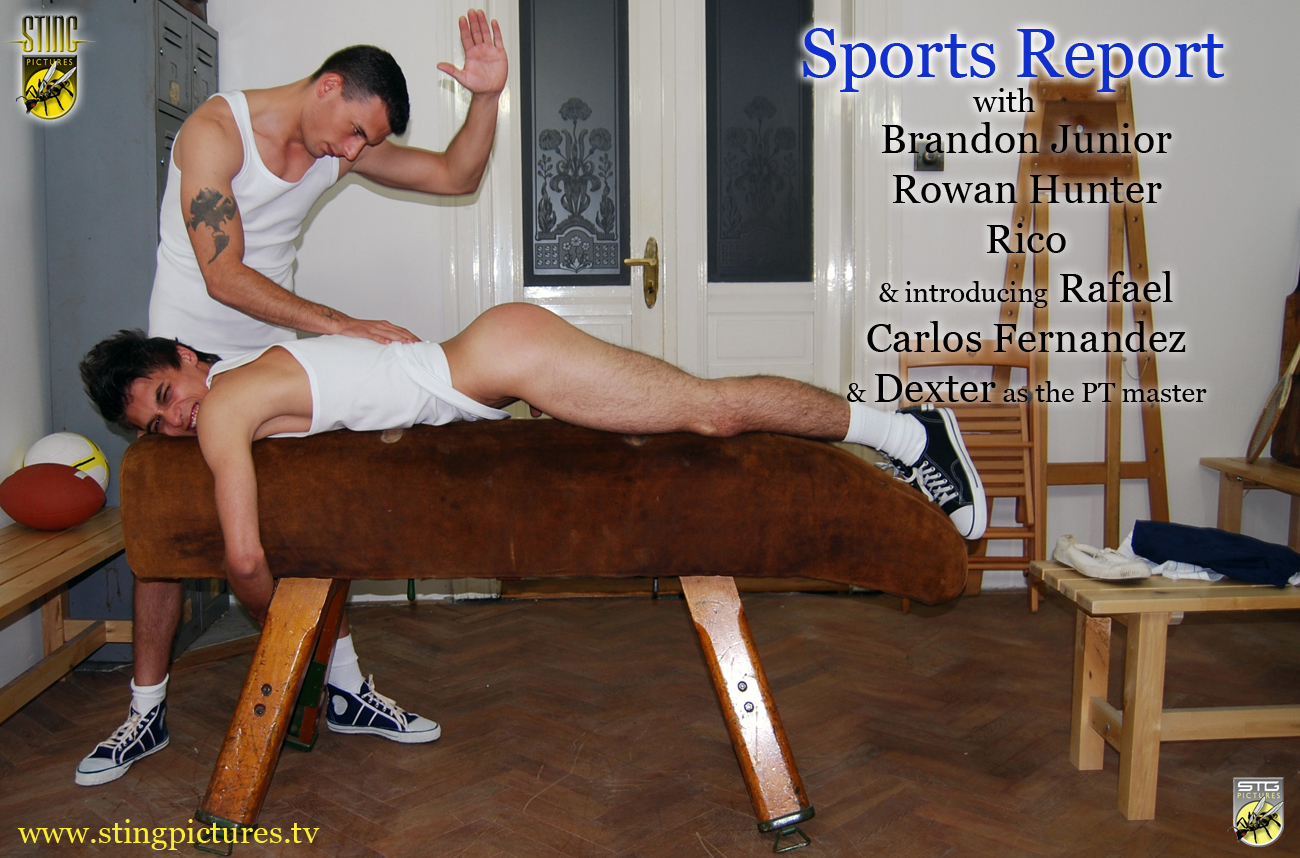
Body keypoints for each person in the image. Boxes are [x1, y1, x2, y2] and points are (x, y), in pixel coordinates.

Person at [75, 11, 508, 786]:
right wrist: (340, 324)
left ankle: (342, 685)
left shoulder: (335, 145)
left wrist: (486, 99)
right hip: (184, 360)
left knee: (312, 503)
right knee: (162, 523)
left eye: (367, 143)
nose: (354, 153)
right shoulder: (215, 133)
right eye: (354, 132)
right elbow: (223, 275)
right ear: (328, 86)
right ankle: (145, 710)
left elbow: (455, 176)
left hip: (267, 354)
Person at [79, 306, 987, 654]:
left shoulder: (228, 406)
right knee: (671, 432)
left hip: (508, 357)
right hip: (497, 359)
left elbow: (244, 556)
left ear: (185, 357)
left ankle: (908, 432)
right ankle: (901, 433)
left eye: (164, 395)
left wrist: (279, 624)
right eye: (153, 425)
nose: (174, 421)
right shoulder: (254, 368)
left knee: (711, 413)